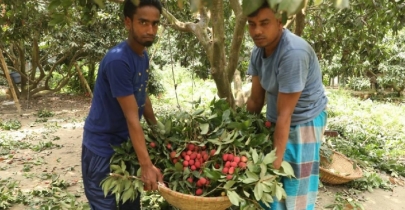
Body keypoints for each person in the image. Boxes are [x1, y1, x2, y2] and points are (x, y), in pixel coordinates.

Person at [245, 2, 328, 210]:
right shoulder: (258, 51)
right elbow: (255, 100)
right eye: (252, 24)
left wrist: (274, 166)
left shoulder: (293, 53)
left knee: (293, 186)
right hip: (277, 118)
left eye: (264, 23)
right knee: (268, 191)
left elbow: (285, 115)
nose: (257, 31)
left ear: (280, 22)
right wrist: (244, 135)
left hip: (304, 121)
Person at [81, 0, 163, 209]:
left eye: (155, 24)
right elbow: (131, 116)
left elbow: (141, 97)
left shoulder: (142, 56)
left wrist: (158, 131)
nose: (150, 30)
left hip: (125, 148)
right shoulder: (118, 60)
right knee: (105, 205)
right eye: (143, 22)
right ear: (128, 22)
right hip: (102, 149)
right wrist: (146, 165)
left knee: (129, 204)